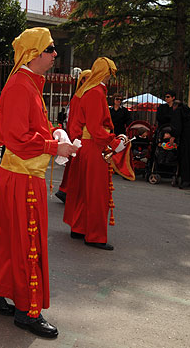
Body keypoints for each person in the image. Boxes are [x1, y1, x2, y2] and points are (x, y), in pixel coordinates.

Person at [0, 28, 77, 339]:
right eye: (49, 49)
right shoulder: (23, 86)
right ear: (34, 53)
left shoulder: (25, 84)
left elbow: (24, 129)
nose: (54, 54)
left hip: (17, 174)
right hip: (23, 178)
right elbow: (17, 138)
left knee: (9, 241)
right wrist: (54, 146)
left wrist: (53, 134)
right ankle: (27, 310)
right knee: (27, 244)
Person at [64, 57, 134, 251]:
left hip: (86, 146)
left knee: (84, 190)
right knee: (96, 193)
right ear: (106, 73)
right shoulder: (95, 92)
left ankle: (79, 227)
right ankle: (94, 235)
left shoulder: (87, 91)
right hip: (94, 147)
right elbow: (96, 128)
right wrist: (113, 142)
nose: (111, 78)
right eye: (110, 74)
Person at [54, 69, 91, 204]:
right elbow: (73, 120)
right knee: (76, 167)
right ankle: (67, 191)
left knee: (75, 167)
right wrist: (77, 138)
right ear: (82, 80)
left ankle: (67, 191)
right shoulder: (78, 97)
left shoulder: (86, 96)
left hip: (81, 137)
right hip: (80, 137)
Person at [170, 100, 190, 189]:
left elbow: (177, 126)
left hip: (186, 136)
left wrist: (173, 136)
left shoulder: (177, 111)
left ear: (174, 106)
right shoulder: (189, 112)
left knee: (186, 157)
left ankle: (186, 179)